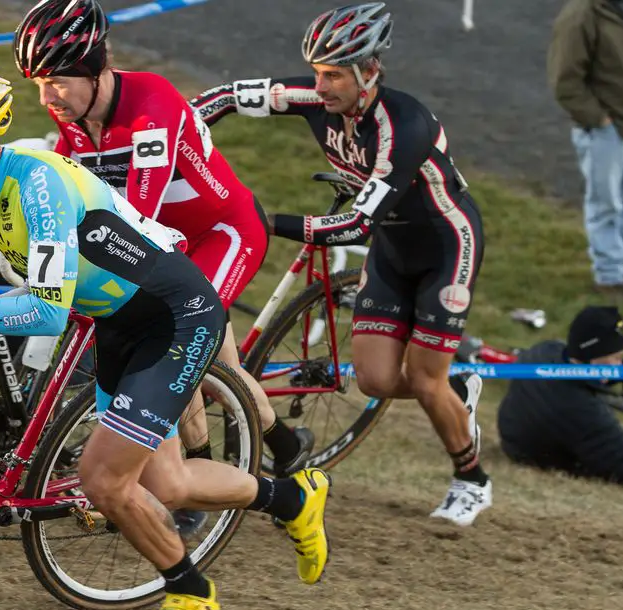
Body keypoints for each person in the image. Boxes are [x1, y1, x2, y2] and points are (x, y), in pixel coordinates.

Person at [0, 70, 332, 610]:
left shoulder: (36, 186)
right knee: (164, 483)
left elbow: (44, 314)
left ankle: (191, 592)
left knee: (103, 480)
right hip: (122, 322)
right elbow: (29, 290)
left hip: (175, 318)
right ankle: (296, 497)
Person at [190, 2, 492, 526]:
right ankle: (457, 390)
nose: (320, 86)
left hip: (447, 245)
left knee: (423, 379)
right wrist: (172, 142)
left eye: (333, 75)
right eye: (317, 72)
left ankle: (472, 479)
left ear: (369, 71)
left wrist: (263, 221)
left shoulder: (405, 125)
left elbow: (354, 228)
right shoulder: (315, 96)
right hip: (395, 252)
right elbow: (221, 98)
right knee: (375, 381)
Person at [11, 0, 316, 495]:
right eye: (38, 84)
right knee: (207, 360)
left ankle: (234, 464)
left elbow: (138, 214)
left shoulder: (152, 106)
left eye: (58, 80)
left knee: (188, 347)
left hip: (221, 233)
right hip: (162, 244)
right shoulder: (72, 114)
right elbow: (66, 188)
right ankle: (251, 452)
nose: (48, 97)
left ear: (95, 67)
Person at [547, 0, 623, 296]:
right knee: (606, 203)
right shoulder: (583, 14)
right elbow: (565, 79)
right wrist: (599, 120)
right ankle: (609, 277)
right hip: (604, 130)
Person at [498, 306, 623, 483]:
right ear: (590, 353)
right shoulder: (583, 411)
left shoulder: (546, 350)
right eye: (614, 358)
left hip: (513, 433)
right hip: (530, 452)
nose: (618, 366)